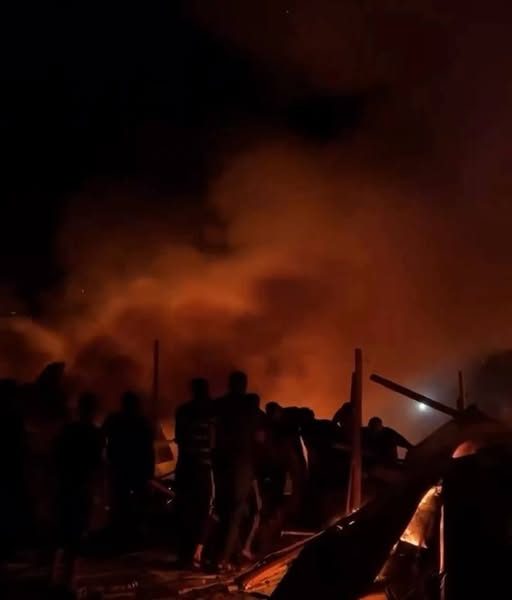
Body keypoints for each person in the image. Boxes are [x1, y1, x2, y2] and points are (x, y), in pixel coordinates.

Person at [52, 393, 103, 592]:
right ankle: (69, 582)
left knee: (64, 533)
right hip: (81, 488)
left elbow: (56, 456)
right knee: (76, 534)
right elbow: (97, 464)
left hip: (66, 487)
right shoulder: (93, 433)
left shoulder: (68, 430)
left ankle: (57, 579)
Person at [214, 371, 261, 570]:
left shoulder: (219, 405)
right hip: (241, 465)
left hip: (221, 464)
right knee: (235, 511)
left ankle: (233, 555)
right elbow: (258, 438)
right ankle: (223, 558)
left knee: (226, 510)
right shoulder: (249, 407)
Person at [103, 391, 155, 545]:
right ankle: (133, 534)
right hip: (135, 469)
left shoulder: (115, 420)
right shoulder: (141, 422)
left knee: (121, 501)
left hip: (121, 468)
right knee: (135, 502)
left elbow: (102, 437)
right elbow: (148, 448)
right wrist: (149, 471)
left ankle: (122, 533)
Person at [174, 378, 216, 568]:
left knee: (184, 510)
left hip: (185, 467)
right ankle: (196, 554)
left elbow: (180, 439)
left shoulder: (183, 411)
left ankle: (184, 555)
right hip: (204, 468)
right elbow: (215, 443)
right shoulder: (213, 412)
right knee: (204, 510)